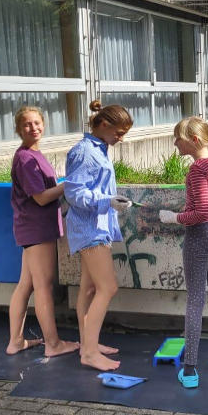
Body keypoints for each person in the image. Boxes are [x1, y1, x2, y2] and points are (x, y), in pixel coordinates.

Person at [158, 117, 208, 389]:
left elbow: (200, 211)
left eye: (177, 138)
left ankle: (190, 370)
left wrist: (173, 218)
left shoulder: (197, 170)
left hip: (201, 234)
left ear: (192, 141)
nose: (174, 143)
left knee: (194, 300)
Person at [64, 100, 134, 371]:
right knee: (108, 288)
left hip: (95, 226)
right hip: (89, 228)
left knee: (89, 289)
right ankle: (90, 352)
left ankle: (87, 344)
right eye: (118, 132)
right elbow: (74, 194)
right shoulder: (84, 152)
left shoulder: (97, 149)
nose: (120, 138)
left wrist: (111, 201)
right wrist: (108, 201)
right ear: (103, 125)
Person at [6, 106, 80, 358]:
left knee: (25, 285)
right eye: (27, 124)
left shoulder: (33, 154)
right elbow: (40, 198)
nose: (33, 128)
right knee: (43, 286)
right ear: (18, 129)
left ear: (44, 125)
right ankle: (53, 343)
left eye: (37, 123)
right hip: (36, 230)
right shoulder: (26, 159)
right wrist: (70, 183)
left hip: (33, 229)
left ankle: (15, 341)